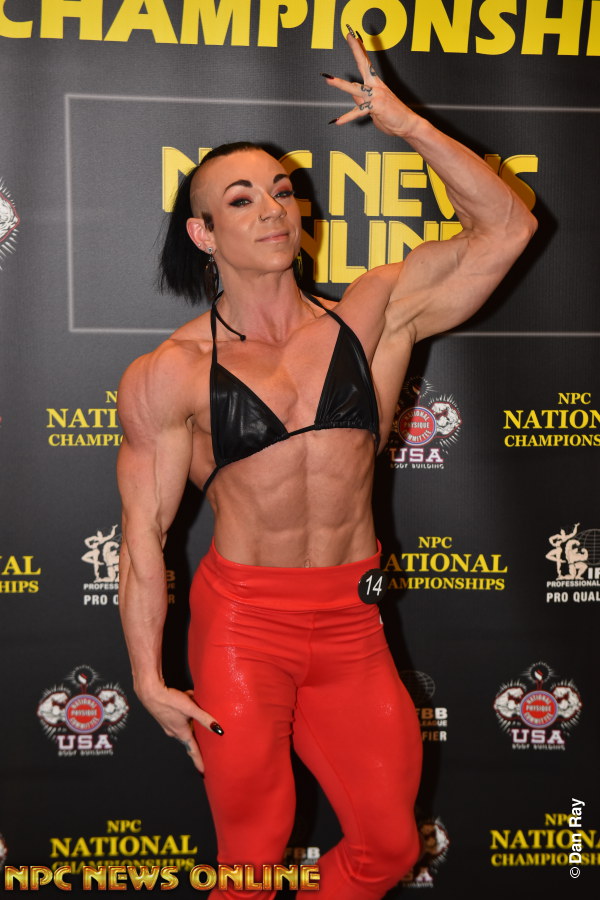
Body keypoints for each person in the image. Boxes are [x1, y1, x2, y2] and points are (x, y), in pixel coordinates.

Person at [116, 29, 536, 900]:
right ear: (203, 232)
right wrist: (150, 679)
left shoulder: (374, 313)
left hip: (352, 625)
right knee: (250, 860)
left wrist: (407, 126)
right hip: (244, 628)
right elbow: (144, 536)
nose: (272, 209)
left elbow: (508, 226)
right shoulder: (171, 372)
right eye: (241, 200)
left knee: (389, 847)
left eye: (282, 191)